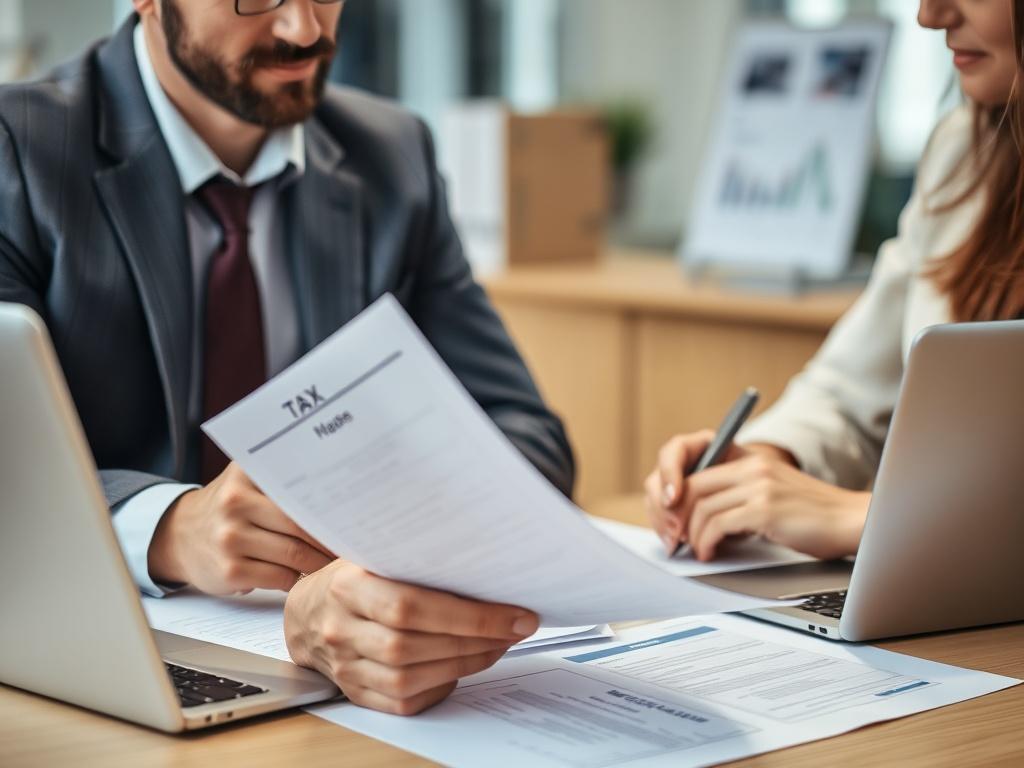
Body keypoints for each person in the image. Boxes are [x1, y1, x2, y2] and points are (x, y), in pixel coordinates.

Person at [0, 0, 575, 715]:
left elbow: (524, 433)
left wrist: (381, 553)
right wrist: (171, 529)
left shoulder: (392, 156)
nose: (305, 30)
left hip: (334, 690)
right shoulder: (15, 149)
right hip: (84, 675)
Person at [647, 0, 1023, 564]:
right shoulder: (966, 156)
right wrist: (763, 462)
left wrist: (865, 518)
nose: (929, 15)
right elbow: (854, 396)